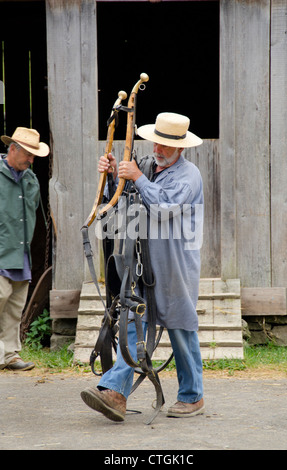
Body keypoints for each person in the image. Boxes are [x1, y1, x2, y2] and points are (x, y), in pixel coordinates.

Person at [81, 112, 204, 420]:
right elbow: (117, 202)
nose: (158, 150)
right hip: (142, 263)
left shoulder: (189, 176)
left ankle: (192, 396)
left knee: (180, 328)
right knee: (135, 326)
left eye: (165, 146)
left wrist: (135, 176)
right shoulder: (147, 167)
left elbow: (163, 207)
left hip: (175, 264)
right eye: (156, 143)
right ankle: (115, 393)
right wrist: (111, 176)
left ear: (181, 149)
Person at [0, 127, 49, 371]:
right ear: (12, 149)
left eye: (33, 155)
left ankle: (10, 355)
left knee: (15, 306)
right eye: (28, 154)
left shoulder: (30, 179)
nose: (31, 160)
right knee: (0, 297)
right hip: (1, 250)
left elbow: (34, 218)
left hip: (21, 253)